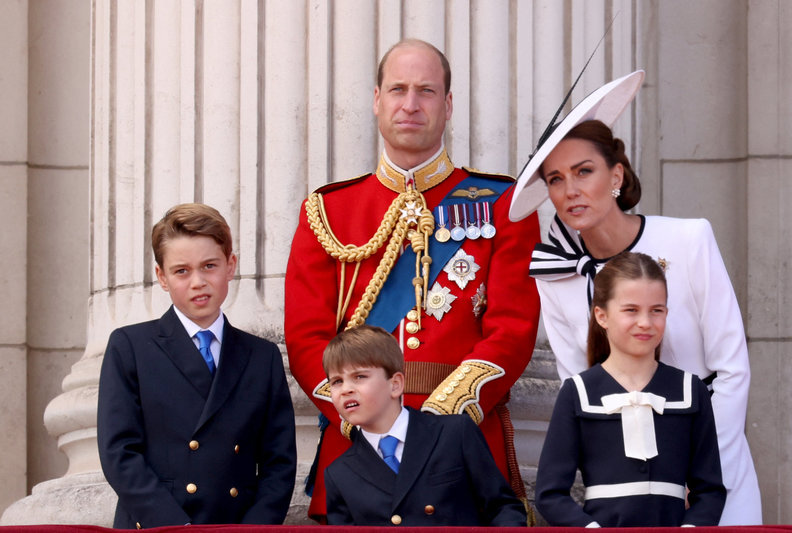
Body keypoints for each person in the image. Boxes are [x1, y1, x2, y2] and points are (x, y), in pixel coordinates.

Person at [285, 39, 541, 519]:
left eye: (426, 91)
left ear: (447, 106)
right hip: (359, 448)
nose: (410, 104)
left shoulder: (506, 205)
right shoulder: (327, 211)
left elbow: (513, 329)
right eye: (398, 89)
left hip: (463, 444)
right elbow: (305, 339)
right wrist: (366, 415)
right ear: (376, 100)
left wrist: (440, 427)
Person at [511, 71, 761, 524]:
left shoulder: (689, 238)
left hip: (711, 473)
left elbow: (731, 368)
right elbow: (579, 386)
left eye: (584, 171)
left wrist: (697, 470)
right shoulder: (555, 273)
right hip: (625, 489)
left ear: (616, 174)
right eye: (555, 179)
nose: (570, 190)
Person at [97, 203, 296, 528]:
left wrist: (255, 527)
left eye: (209, 266)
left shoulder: (262, 357)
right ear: (161, 276)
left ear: (230, 266)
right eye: (182, 271)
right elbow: (119, 452)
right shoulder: (130, 347)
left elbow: (280, 462)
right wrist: (174, 526)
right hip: (157, 525)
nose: (198, 281)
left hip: (236, 525)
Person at [535, 252, 726, 527]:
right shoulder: (578, 392)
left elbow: (709, 490)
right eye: (631, 310)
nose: (646, 322)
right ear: (601, 316)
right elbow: (550, 494)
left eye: (656, 310)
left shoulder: (690, 390)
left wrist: (690, 529)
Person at [322, 325, 527, 526]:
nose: (346, 389)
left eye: (359, 377)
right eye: (336, 381)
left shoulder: (454, 433)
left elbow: (503, 508)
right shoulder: (339, 473)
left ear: (395, 384)